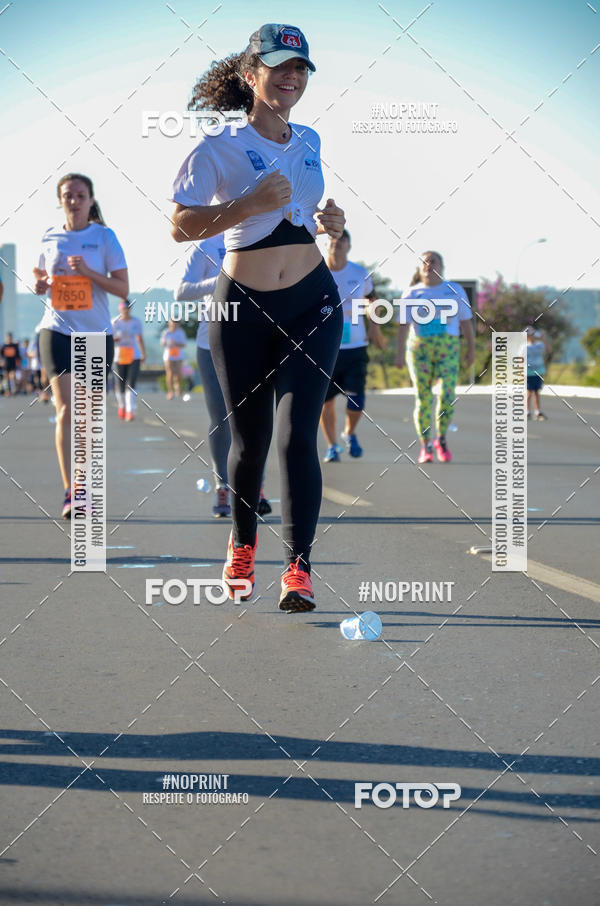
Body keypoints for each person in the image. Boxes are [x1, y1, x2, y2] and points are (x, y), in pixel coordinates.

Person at [171, 23, 345, 612]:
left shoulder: (312, 139)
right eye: (279, 67)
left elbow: (305, 208)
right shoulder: (216, 147)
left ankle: (298, 571)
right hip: (241, 307)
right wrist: (246, 205)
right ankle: (243, 545)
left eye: (300, 67)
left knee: (299, 438)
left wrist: (332, 224)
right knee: (250, 442)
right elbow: (179, 227)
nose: (292, 76)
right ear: (251, 76)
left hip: (312, 302)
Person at [34, 173, 128, 518]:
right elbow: (42, 282)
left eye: (79, 195)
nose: (73, 201)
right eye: (67, 196)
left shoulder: (104, 237)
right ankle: (71, 492)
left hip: (94, 334)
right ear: (60, 201)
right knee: (65, 411)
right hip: (56, 330)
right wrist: (41, 284)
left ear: (91, 200)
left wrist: (88, 272)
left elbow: (122, 289)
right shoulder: (49, 236)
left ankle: (85, 485)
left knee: (87, 418)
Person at [175, 235, 273, 519]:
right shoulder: (205, 245)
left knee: (254, 418)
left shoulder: (260, 232)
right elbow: (181, 291)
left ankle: (257, 488)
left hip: (255, 340)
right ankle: (223, 486)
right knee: (221, 419)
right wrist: (222, 280)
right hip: (213, 343)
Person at [394, 251, 474, 464]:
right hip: (419, 350)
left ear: (442, 266)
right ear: (419, 268)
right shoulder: (411, 293)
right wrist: (399, 353)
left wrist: (471, 350)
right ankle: (425, 444)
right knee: (423, 398)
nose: (428, 265)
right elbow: (403, 326)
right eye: (424, 261)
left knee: (447, 395)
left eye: (433, 261)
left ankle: (441, 438)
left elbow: (466, 322)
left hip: (448, 349)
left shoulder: (453, 290)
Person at [320, 229, 386, 462]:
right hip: (324, 347)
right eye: (332, 240)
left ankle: (349, 432)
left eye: (342, 240)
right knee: (324, 402)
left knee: (356, 400)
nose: (336, 243)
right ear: (326, 244)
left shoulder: (359, 273)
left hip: (356, 345)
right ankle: (332, 446)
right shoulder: (315, 270)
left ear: (348, 245)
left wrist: (375, 326)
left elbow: (372, 299)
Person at [112, 299, 145, 421]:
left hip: (133, 355)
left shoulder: (136, 322)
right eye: (123, 308)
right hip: (119, 356)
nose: (125, 310)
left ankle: (130, 410)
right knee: (120, 384)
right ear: (120, 309)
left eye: (127, 308)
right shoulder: (115, 322)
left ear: (130, 309)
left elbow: (140, 338)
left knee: (131, 384)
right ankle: (122, 406)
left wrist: (143, 353)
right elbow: (109, 339)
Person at [525, 326, 550, 420]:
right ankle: (527, 412)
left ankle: (537, 412)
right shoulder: (524, 346)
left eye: (532, 334)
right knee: (529, 392)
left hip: (539, 372)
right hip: (528, 372)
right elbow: (520, 359)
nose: (530, 336)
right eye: (528, 335)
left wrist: (543, 339)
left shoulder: (539, 345)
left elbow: (548, 350)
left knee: (536, 392)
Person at [160, 318, 186, 399]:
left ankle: (178, 388)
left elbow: (184, 344)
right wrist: (165, 342)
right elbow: (162, 344)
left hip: (178, 355)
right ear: (169, 324)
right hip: (168, 355)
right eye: (172, 323)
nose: (173, 325)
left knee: (177, 373)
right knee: (170, 372)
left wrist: (176, 343)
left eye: (175, 323)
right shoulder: (166, 332)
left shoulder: (181, 332)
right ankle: (170, 391)